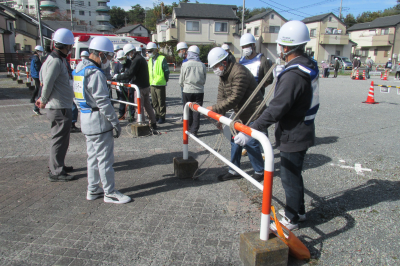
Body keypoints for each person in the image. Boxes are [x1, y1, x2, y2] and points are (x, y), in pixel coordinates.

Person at [234, 20, 319, 230]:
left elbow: (276, 108)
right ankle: (298, 210)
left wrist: (252, 130)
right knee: (294, 174)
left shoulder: (293, 74)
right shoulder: (305, 65)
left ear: (287, 47)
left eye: (281, 45)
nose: (279, 49)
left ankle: (292, 218)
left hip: (294, 131)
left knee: (289, 176)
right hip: (301, 127)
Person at [72, 36, 131, 204]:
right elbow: (104, 102)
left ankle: (93, 189)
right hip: (99, 122)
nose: (110, 60)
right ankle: (110, 192)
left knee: (92, 157)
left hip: (85, 119)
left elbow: (75, 98)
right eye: (109, 56)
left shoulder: (78, 70)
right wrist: (115, 122)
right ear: (101, 54)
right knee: (105, 159)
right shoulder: (95, 73)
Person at [206, 47, 265, 182]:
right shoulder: (224, 75)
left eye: (216, 66)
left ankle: (260, 171)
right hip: (241, 112)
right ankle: (234, 171)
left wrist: (213, 109)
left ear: (224, 63)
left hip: (254, 112)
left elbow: (234, 98)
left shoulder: (239, 72)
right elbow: (221, 96)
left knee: (250, 142)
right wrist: (220, 117)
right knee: (235, 140)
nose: (215, 69)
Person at [35, 28, 76, 182]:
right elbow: (48, 83)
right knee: (59, 139)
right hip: (59, 107)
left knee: (62, 139)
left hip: (62, 106)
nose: (70, 49)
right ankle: (56, 171)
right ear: (65, 46)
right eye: (70, 46)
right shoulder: (55, 61)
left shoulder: (52, 59)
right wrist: (43, 99)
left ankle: (59, 165)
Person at [114, 44, 157, 130]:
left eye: (127, 54)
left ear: (131, 52)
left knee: (139, 107)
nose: (127, 56)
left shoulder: (137, 60)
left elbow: (130, 73)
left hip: (139, 88)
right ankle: (153, 123)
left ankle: (142, 124)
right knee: (148, 106)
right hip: (145, 86)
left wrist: (117, 77)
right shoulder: (141, 58)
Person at [179, 45, 207, 136]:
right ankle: (194, 130)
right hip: (199, 91)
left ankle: (188, 128)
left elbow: (181, 80)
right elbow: (204, 79)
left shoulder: (185, 64)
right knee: (196, 111)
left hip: (187, 90)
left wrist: (185, 86)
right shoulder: (202, 65)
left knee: (187, 110)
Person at [147, 42, 170, 124]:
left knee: (161, 101)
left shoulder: (161, 58)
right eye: (148, 51)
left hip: (160, 83)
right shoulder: (150, 60)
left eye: (150, 51)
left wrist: (165, 80)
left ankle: (162, 116)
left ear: (155, 50)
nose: (149, 53)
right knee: (154, 101)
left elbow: (166, 71)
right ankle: (156, 115)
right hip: (152, 83)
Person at [114, 45, 135, 121]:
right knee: (122, 101)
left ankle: (131, 115)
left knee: (131, 101)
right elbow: (115, 74)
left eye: (122, 58)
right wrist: (117, 84)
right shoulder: (117, 65)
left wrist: (131, 83)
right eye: (119, 59)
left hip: (129, 85)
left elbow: (133, 74)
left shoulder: (130, 63)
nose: (121, 60)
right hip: (121, 85)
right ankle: (121, 114)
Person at [31, 45, 43, 115]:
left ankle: (32, 99)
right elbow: (39, 68)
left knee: (38, 89)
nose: (41, 53)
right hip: (37, 76)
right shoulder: (36, 59)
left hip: (35, 75)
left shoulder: (33, 58)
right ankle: (36, 107)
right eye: (40, 52)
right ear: (37, 51)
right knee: (40, 92)